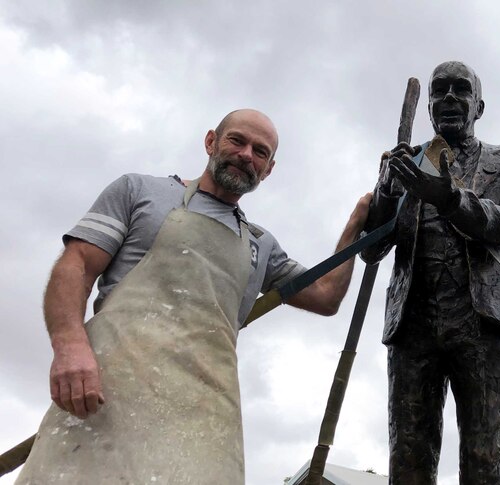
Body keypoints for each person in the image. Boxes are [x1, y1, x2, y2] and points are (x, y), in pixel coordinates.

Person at [17, 109, 371, 484]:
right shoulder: (141, 192)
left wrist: (358, 225)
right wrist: (70, 346)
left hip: (205, 414)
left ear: (268, 169)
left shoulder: (260, 244)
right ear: (210, 142)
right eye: (237, 140)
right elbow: (78, 265)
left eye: (260, 151)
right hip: (110, 395)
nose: (247, 155)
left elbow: (326, 296)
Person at [361, 61, 500, 484]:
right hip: (413, 328)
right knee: (407, 463)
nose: (449, 98)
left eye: (462, 90)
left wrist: (452, 200)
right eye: (439, 90)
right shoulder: (403, 164)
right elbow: (372, 251)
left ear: (479, 106)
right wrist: (388, 189)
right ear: (427, 107)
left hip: (483, 326)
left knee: (483, 462)